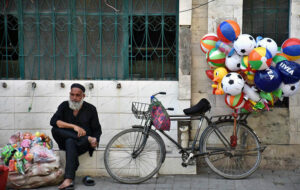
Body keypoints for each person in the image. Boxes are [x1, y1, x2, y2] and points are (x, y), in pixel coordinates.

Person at [50, 83, 102, 190]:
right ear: (69, 94)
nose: (74, 98)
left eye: (78, 95)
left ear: (83, 96)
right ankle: (85, 138)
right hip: (65, 142)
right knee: (56, 130)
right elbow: (54, 121)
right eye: (72, 95)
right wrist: (74, 127)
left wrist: (94, 141)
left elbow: (97, 130)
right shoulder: (64, 105)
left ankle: (68, 179)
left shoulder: (91, 109)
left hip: (83, 145)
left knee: (70, 141)